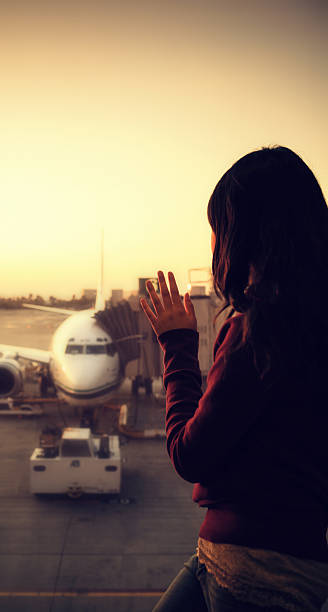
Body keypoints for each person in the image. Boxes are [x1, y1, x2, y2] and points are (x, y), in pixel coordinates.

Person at [140, 146, 328, 612]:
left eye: (218, 230)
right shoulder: (313, 327)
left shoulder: (258, 333)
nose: (213, 244)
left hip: (247, 572)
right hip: (289, 563)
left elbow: (190, 455)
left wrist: (178, 345)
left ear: (243, 236)